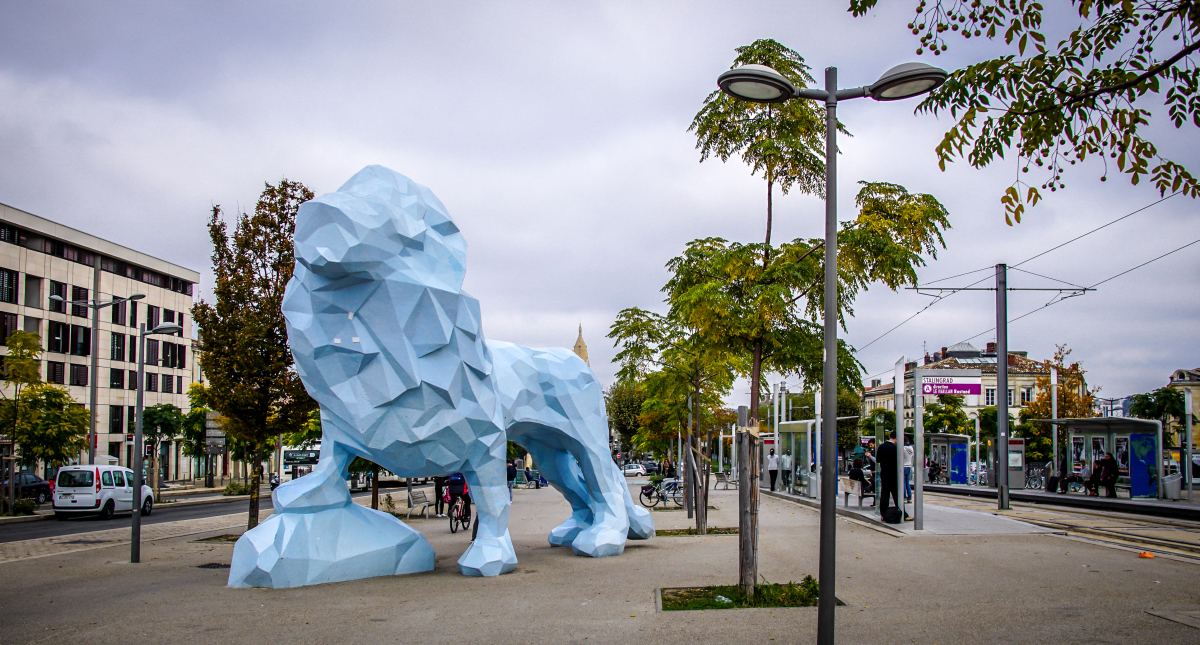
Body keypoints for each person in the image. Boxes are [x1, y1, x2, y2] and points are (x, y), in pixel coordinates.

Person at [877, 431, 910, 520]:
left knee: (884, 494)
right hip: (893, 474)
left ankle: (883, 514)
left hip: (884, 473)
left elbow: (878, 459)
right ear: (897, 438)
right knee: (896, 495)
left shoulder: (881, 446)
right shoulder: (895, 448)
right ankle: (904, 514)